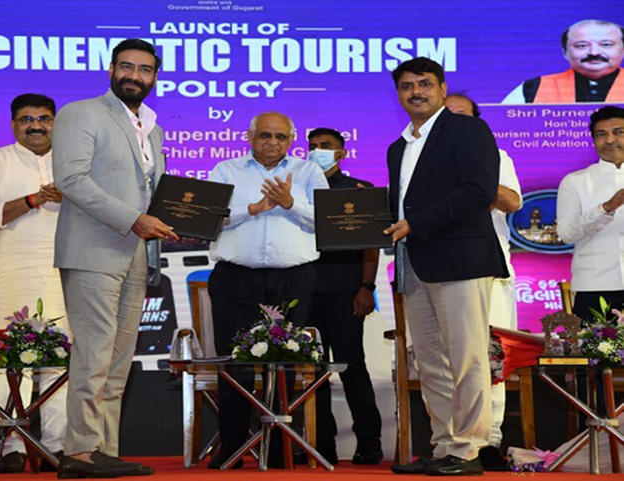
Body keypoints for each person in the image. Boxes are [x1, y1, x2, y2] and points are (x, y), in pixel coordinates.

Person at [52, 38, 176, 478]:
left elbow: (152, 192)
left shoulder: (152, 127)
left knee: (118, 360)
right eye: (127, 66)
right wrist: (134, 219)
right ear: (111, 69)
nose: (134, 76)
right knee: (94, 354)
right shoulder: (81, 113)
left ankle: (104, 449)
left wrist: (173, 218)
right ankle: (79, 451)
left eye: (144, 70)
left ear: (154, 77)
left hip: (136, 254)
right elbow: (70, 179)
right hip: (93, 250)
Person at [384, 57, 508, 476]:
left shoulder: (466, 130)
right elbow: (400, 205)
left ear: (441, 89)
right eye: (407, 86)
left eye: (424, 84)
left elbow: (479, 190)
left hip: (461, 260)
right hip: (415, 264)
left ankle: (469, 449)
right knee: (430, 362)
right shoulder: (398, 147)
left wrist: (416, 223)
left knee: (467, 357)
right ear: (398, 94)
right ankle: (444, 446)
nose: (415, 92)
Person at [206, 112, 329, 469]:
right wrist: (252, 209)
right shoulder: (226, 170)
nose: (272, 142)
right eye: (264, 135)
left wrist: (291, 204)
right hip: (236, 278)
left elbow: (327, 220)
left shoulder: (309, 172)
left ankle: (278, 451)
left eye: (280, 136)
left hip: (293, 280)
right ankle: (232, 448)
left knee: (284, 364)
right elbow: (209, 217)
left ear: (291, 139)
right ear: (249, 137)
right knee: (235, 364)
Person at [0, 93, 68, 473]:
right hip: (11, 272)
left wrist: (70, 198)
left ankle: (57, 446)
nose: (35, 126)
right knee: (12, 360)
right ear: (13, 125)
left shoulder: (71, 164)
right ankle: (13, 445)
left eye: (43, 119)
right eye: (26, 119)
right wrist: (32, 200)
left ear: (55, 123)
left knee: (59, 359)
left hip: (63, 272)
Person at [444, 94, 523, 471]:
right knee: (446, 361)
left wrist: (474, 180)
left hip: (488, 269)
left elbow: (512, 202)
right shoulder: (419, 158)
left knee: (490, 358)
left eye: (462, 116)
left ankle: (489, 440)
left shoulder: (496, 156)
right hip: (440, 271)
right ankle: (450, 441)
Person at [305, 127, 383, 465]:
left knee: (352, 367)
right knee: (313, 370)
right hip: (305, 291)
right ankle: (322, 445)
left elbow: (371, 245)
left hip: (346, 290)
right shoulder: (297, 188)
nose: (317, 150)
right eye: (312, 146)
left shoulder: (359, 191)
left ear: (341, 153)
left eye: (325, 146)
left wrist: (367, 287)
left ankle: (369, 443)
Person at [557, 106, 624, 320]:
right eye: (601, 134)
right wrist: (607, 208)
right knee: (595, 343)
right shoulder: (575, 181)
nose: (610, 140)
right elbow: (566, 234)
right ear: (593, 140)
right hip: (595, 286)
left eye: (619, 132)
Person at [503, 19, 624, 104]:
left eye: (606, 44)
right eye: (582, 45)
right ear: (565, 52)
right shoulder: (532, 88)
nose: (594, 52)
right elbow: (503, 127)